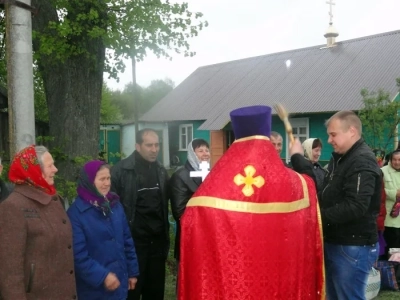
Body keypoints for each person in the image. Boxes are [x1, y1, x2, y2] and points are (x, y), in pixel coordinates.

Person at [178, 106, 324, 299]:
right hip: (279, 283)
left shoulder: (212, 188)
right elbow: (311, 188)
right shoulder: (297, 186)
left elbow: (191, 223)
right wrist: (297, 156)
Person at [291, 110, 381, 300]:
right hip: (337, 241)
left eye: (333, 135)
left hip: (351, 245)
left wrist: (316, 217)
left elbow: (356, 205)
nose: (329, 140)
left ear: (352, 131)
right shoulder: (341, 158)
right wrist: (299, 160)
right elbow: (324, 192)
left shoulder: (361, 161)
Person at [0, 145, 77, 300]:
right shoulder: (13, 206)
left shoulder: (54, 199)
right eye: (50, 166)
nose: (55, 169)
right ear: (34, 170)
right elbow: (10, 271)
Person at [111, 128, 170, 300]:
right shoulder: (121, 171)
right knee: (132, 292)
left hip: (157, 244)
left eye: (157, 145)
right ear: (137, 146)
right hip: (134, 245)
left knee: (155, 292)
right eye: (149, 145)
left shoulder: (161, 170)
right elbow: (112, 210)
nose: (154, 149)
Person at [67, 160, 140, 299]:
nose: (107, 183)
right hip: (93, 289)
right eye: (102, 179)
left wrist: (132, 272)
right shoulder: (76, 214)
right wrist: (103, 276)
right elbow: (78, 256)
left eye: (108, 178)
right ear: (89, 181)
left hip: (119, 282)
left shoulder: (114, 205)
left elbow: (127, 241)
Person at [170, 139, 210, 260]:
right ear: (192, 153)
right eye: (200, 150)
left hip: (209, 236)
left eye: (207, 150)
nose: (205, 154)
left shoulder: (212, 174)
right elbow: (179, 212)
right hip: (190, 235)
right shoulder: (181, 176)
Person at [381, 150, 400, 256]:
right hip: (389, 219)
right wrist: (395, 194)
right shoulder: (383, 171)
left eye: (399, 160)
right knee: (390, 251)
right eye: (394, 160)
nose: (397, 162)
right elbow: (378, 192)